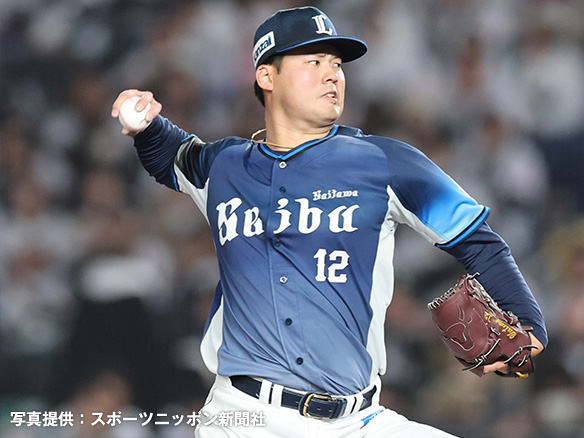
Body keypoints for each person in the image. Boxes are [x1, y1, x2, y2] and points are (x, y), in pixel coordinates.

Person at [111, 6, 546, 438]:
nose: (332, 75)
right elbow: (171, 156)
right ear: (266, 76)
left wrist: (529, 323)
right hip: (245, 417)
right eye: (313, 62)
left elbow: (478, 242)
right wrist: (145, 123)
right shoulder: (224, 166)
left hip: (358, 420)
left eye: (337, 64)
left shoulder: (385, 162)